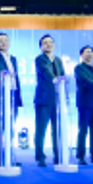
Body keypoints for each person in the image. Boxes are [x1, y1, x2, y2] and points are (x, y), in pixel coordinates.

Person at [0, 33, 23, 167]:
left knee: (10, 128)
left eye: (6, 40)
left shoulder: (13, 58)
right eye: (0, 41)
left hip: (12, 96)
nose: (3, 43)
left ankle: (9, 155)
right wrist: (3, 72)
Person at [34, 34, 66, 167]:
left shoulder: (58, 60)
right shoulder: (40, 59)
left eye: (51, 42)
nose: (49, 44)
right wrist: (55, 79)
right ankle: (40, 157)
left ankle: (58, 156)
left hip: (58, 99)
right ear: (41, 46)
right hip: (44, 98)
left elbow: (62, 75)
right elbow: (45, 71)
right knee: (41, 129)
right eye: (45, 43)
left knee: (57, 129)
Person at [74, 45, 93, 165]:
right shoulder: (79, 68)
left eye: (91, 52)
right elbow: (85, 80)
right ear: (81, 55)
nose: (90, 54)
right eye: (87, 52)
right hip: (84, 102)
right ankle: (80, 156)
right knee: (83, 130)